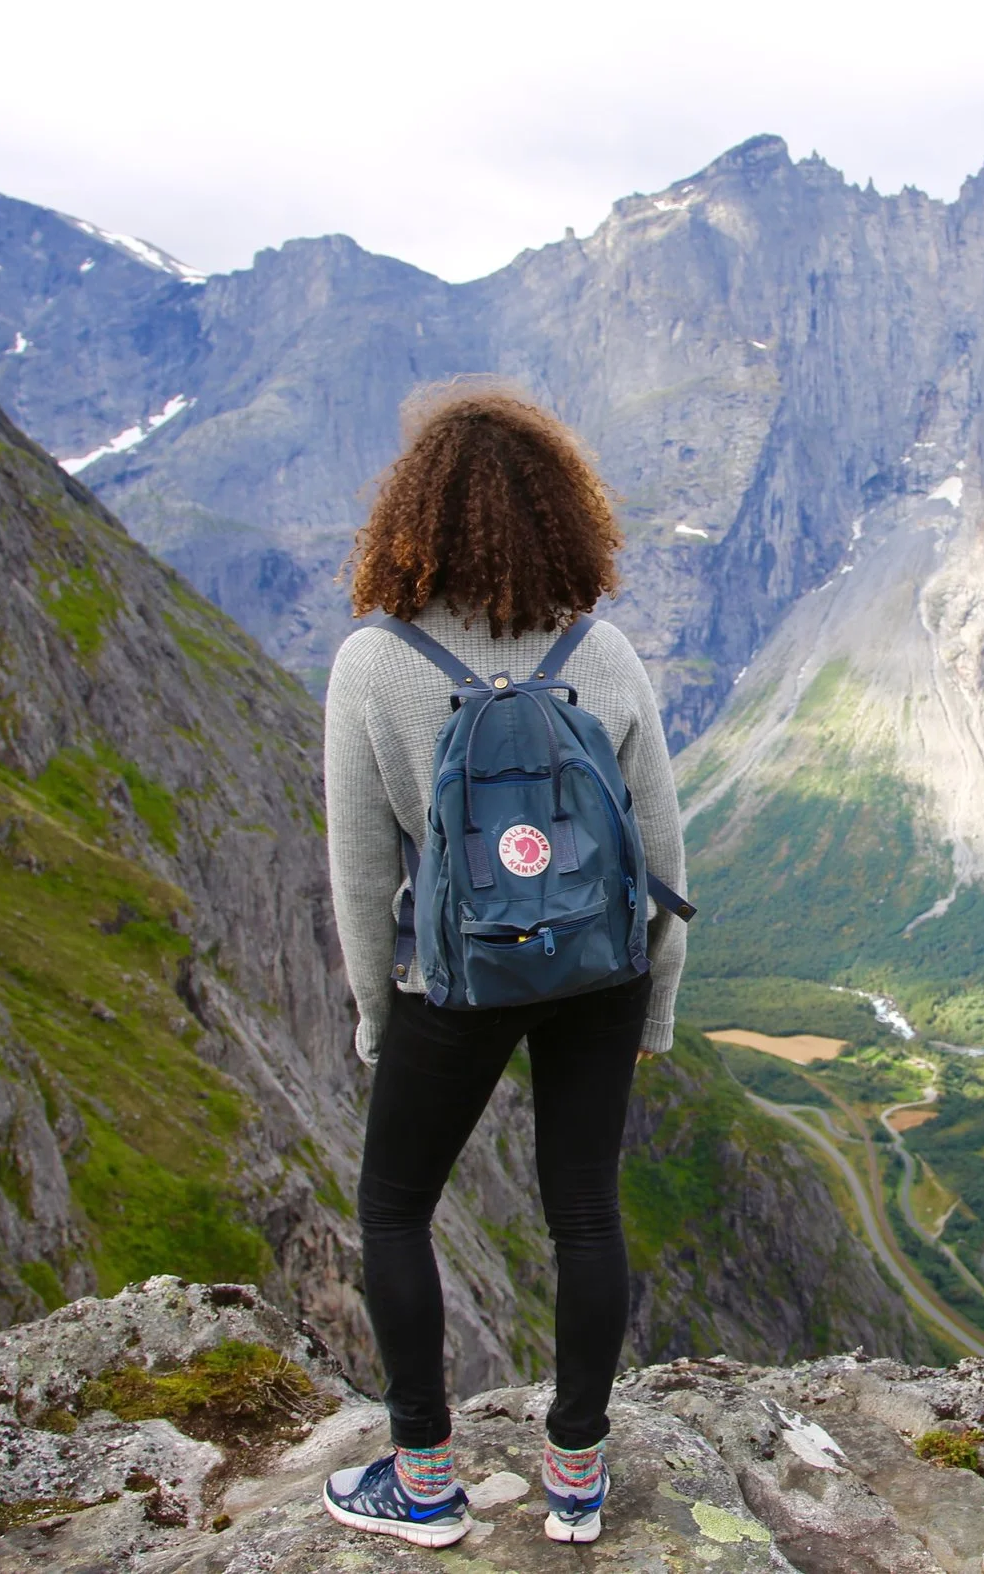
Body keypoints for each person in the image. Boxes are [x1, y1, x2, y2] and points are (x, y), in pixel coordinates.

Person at [317, 385, 688, 1547]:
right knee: (585, 1207)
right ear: (557, 515)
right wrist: (656, 1005)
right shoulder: (603, 648)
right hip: (598, 966)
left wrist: (384, 1019)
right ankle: (575, 1475)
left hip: (456, 979)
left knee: (393, 1207)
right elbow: (662, 848)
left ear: (411, 515)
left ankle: (423, 1480)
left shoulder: (374, 664)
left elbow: (358, 867)